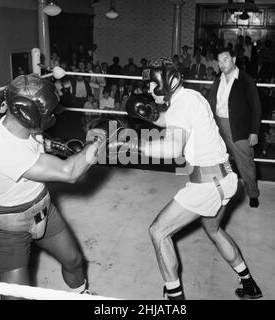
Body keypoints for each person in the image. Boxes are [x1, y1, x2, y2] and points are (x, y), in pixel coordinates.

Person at [89, 57, 262, 300]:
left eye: (151, 85)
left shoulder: (182, 105)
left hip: (208, 185)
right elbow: (173, 122)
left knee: (158, 232)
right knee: (213, 229)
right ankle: (249, 284)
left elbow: (172, 149)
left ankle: (174, 298)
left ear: (164, 82)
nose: (148, 90)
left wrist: (131, 143)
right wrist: (149, 116)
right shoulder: (191, 97)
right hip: (227, 179)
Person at [0, 74, 100, 300]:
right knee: (16, 296)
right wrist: (101, 139)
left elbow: (37, 141)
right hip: (11, 230)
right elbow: (70, 173)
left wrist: (58, 146)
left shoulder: (23, 127)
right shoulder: (1, 148)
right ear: (27, 113)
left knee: (74, 261)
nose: (50, 118)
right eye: (46, 113)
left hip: (45, 212)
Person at [207, 48, 261, 208]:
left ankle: (252, 193)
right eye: (220, 60)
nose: (222, 64)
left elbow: (256, 107)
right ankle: (221, 192)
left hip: (238, 128)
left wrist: (254, 131)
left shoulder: (246, 80)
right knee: (217, 160)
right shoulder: (218, 79)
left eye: (225, 59)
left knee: (245, 163)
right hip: (217, 125)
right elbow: (210, 102)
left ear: (234, 60)